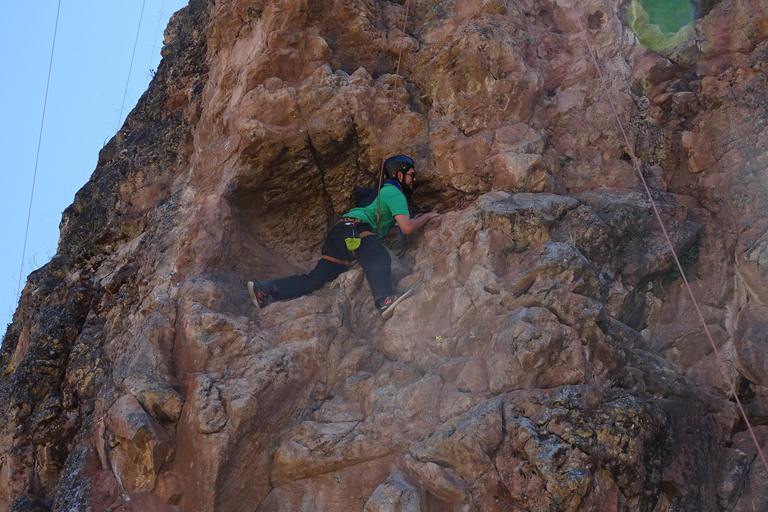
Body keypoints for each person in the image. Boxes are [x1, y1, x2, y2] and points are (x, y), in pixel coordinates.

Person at [248, 155, 441, 319]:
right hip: (354, 229)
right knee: (379, 255)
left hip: (342, 233)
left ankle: (265, 288)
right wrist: (427, 217)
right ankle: (384, 300)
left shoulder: (385, 194)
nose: (414, 180)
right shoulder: (394, 192)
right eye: (411, 175)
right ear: (400, 174)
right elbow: (407, 227)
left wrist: (406, 226)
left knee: (315, 279)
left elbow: (390, 230)